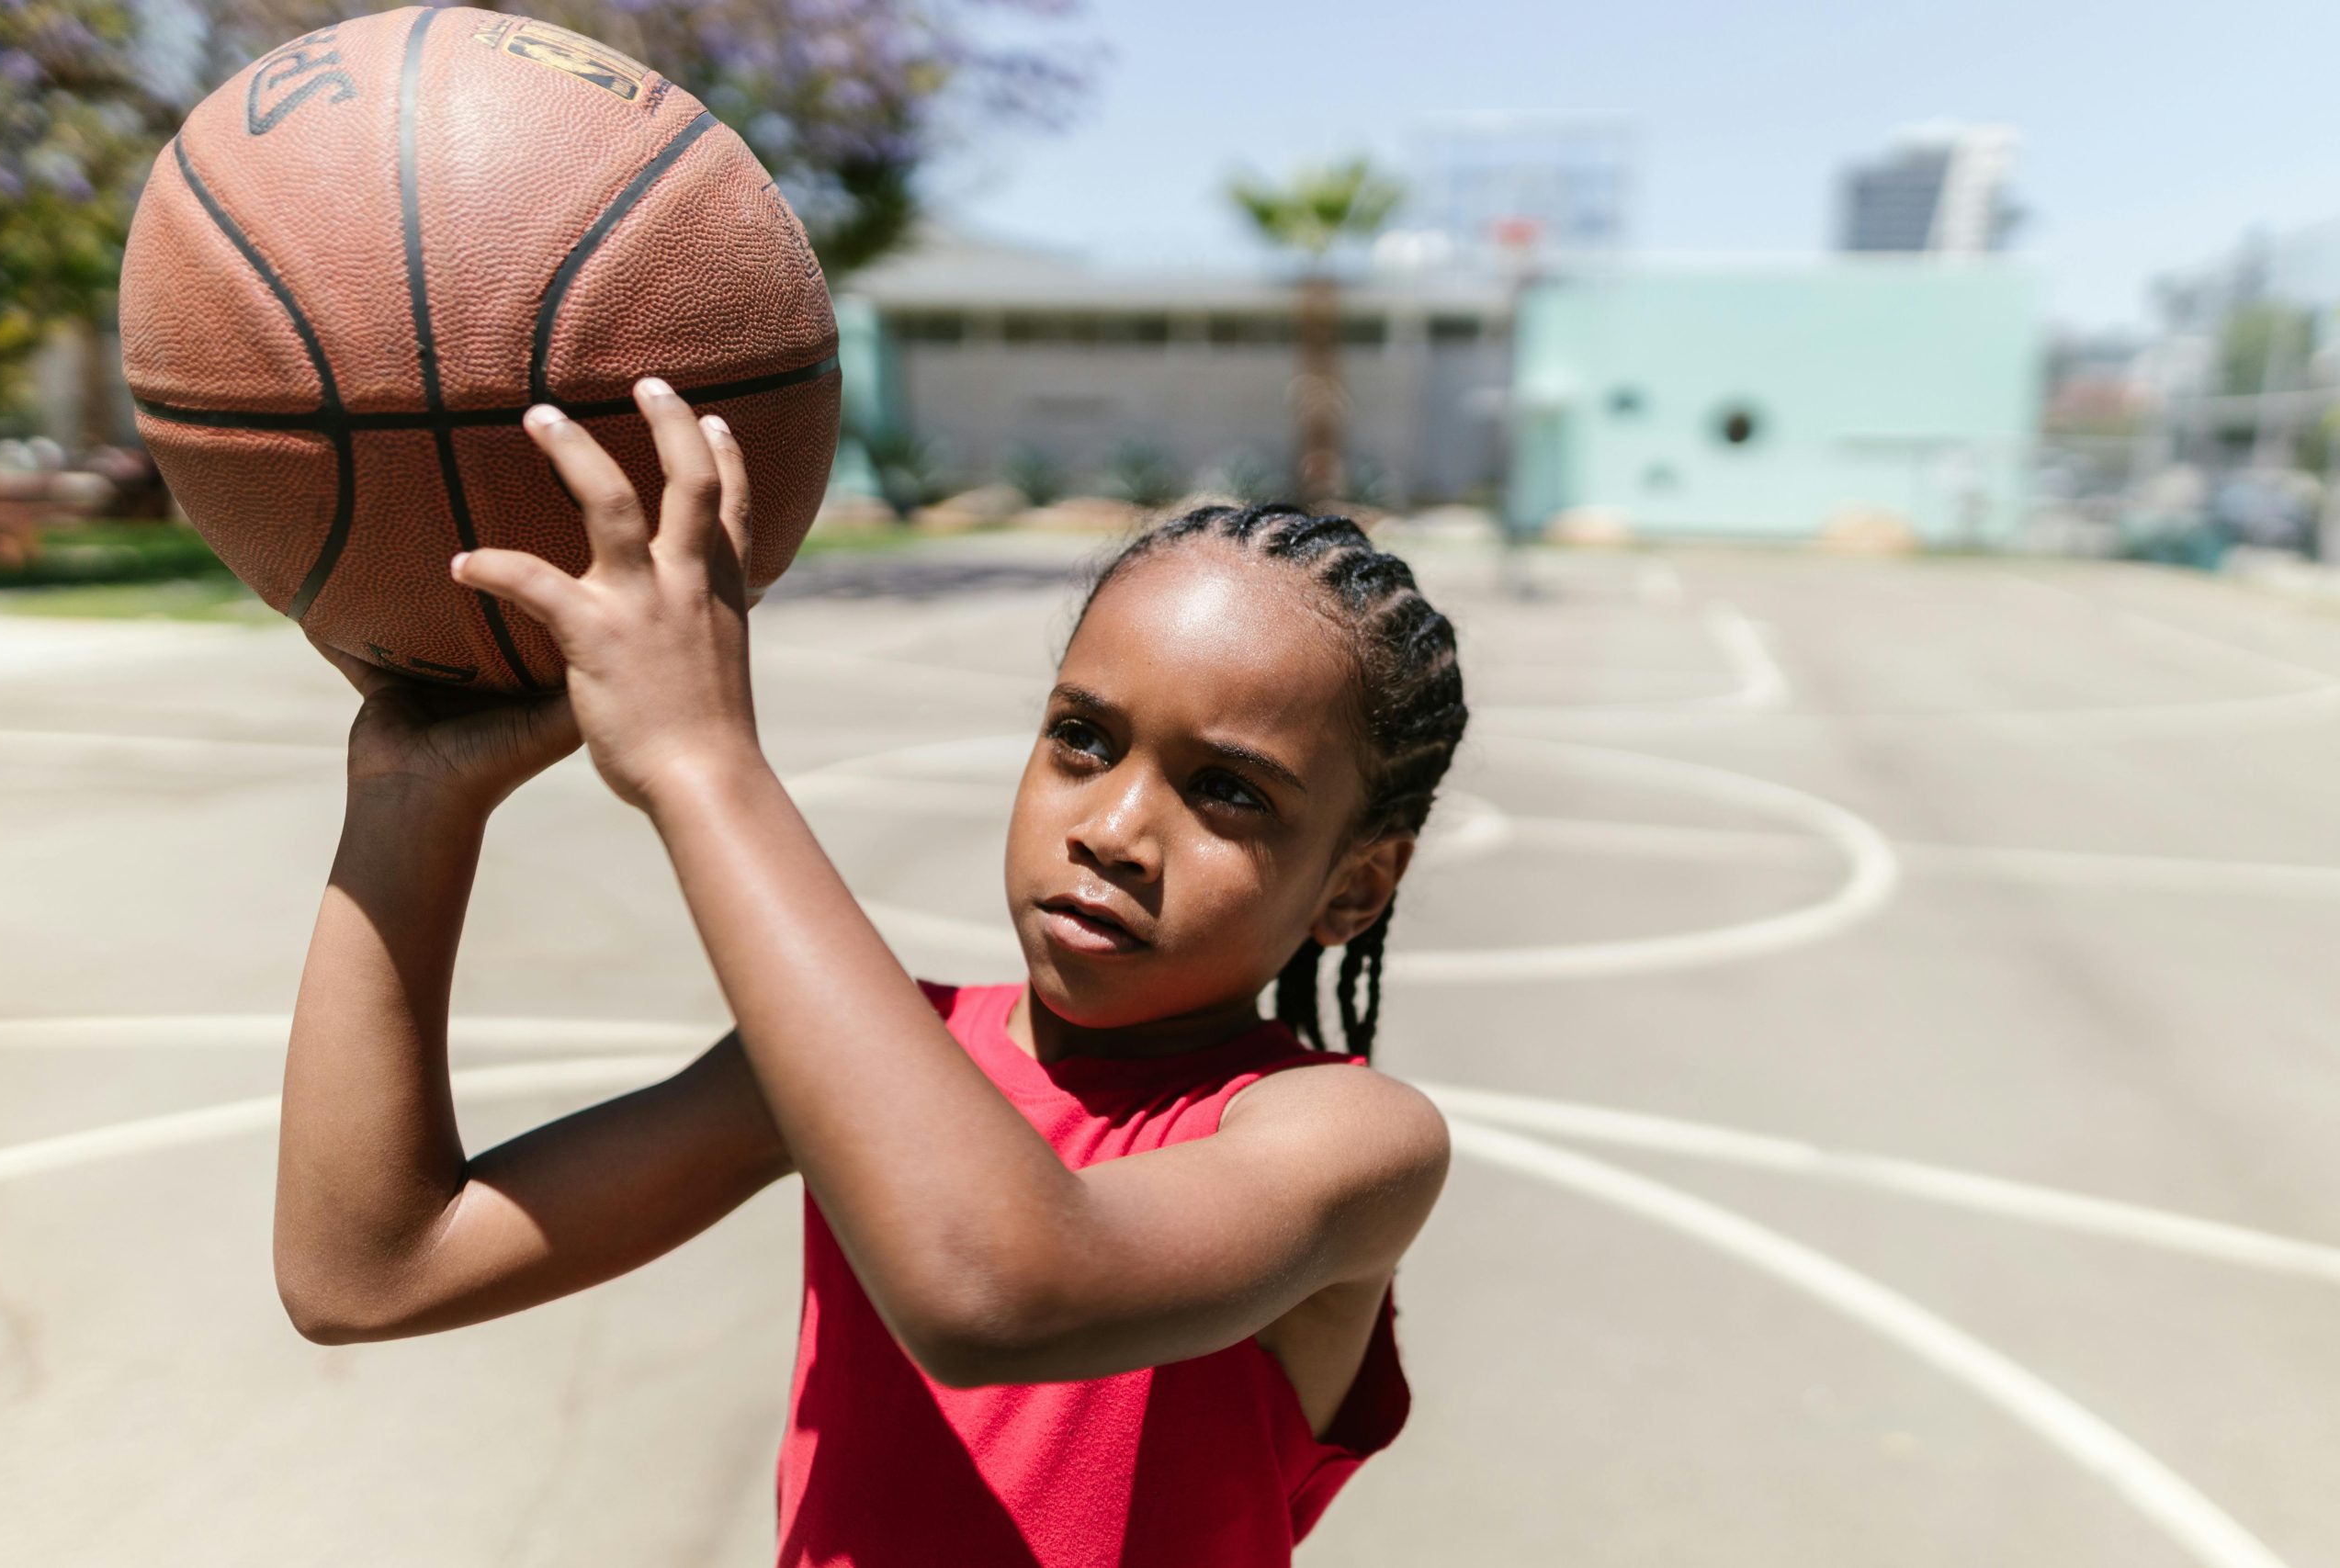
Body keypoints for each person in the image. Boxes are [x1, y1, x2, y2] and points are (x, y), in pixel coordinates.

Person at [273, 379, 1470, 1565]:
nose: (1113, 829)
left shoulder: (1354, 1143)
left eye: (1229, 791)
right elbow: (369, 1270)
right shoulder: (871, 1060)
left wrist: (703, 759)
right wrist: (410, 803)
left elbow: (996, 1288)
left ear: (1357, 885)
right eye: (1083, 740)